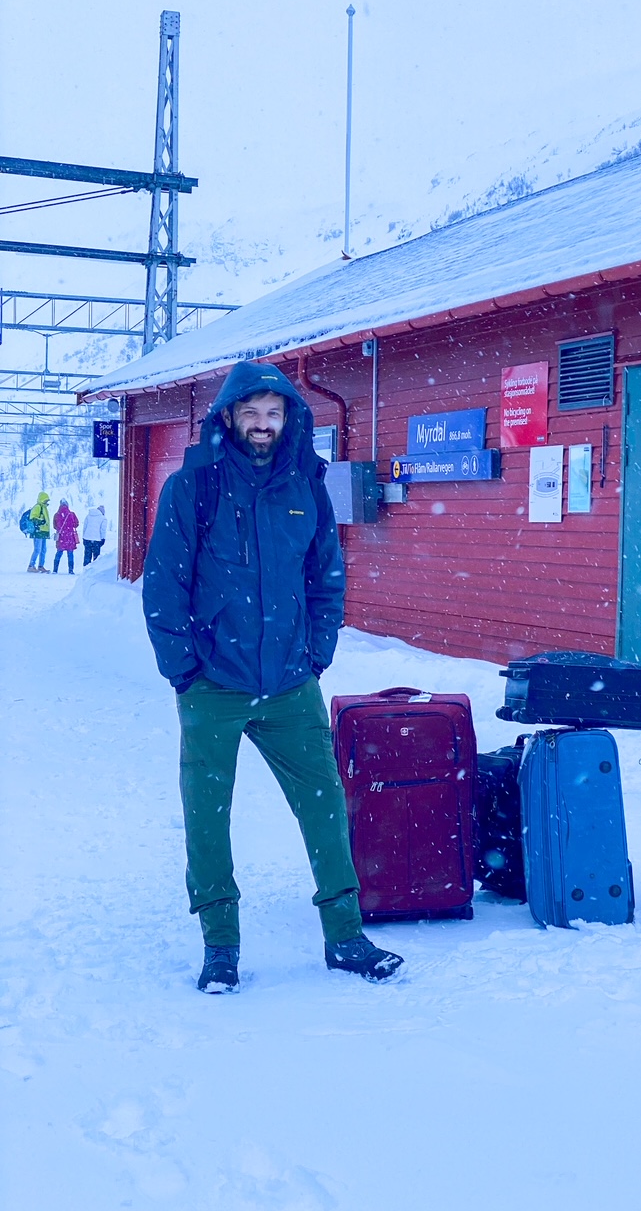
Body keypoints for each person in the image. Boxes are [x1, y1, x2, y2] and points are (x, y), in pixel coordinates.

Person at [142, 361, 403, 994]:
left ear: (289, 418)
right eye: (252, 414)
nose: (263, 426)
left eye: (274, 414)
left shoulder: (305, 484)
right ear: (228, 418)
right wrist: (185, 672)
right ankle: (220, 946)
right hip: (214, 685)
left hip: (289, 682)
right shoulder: (193, 487)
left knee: (325, 808)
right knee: (208, 816)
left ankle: (344, 936)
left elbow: (326, 575)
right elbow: (164, 585)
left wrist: (316, 652)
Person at [52, 499, 80, 574]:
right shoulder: (72, 514)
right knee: (70, 554)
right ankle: (71, 570)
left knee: (59, 553)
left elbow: (54, 526)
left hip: (61, 537)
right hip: (70, 537)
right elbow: (76, 524)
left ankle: (55, 570)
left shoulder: (56, 515)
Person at [26, 491, 51, 573]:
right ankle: (31, 566)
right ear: (42, 499)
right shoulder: (38, 507)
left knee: (43, 550)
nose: (47, 502)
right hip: (38, 532)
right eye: (46, 500)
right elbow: (32, 518)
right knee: (37, 549)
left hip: (43, 532)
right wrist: (41, 522)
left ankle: (41, 566)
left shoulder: (44, 508)